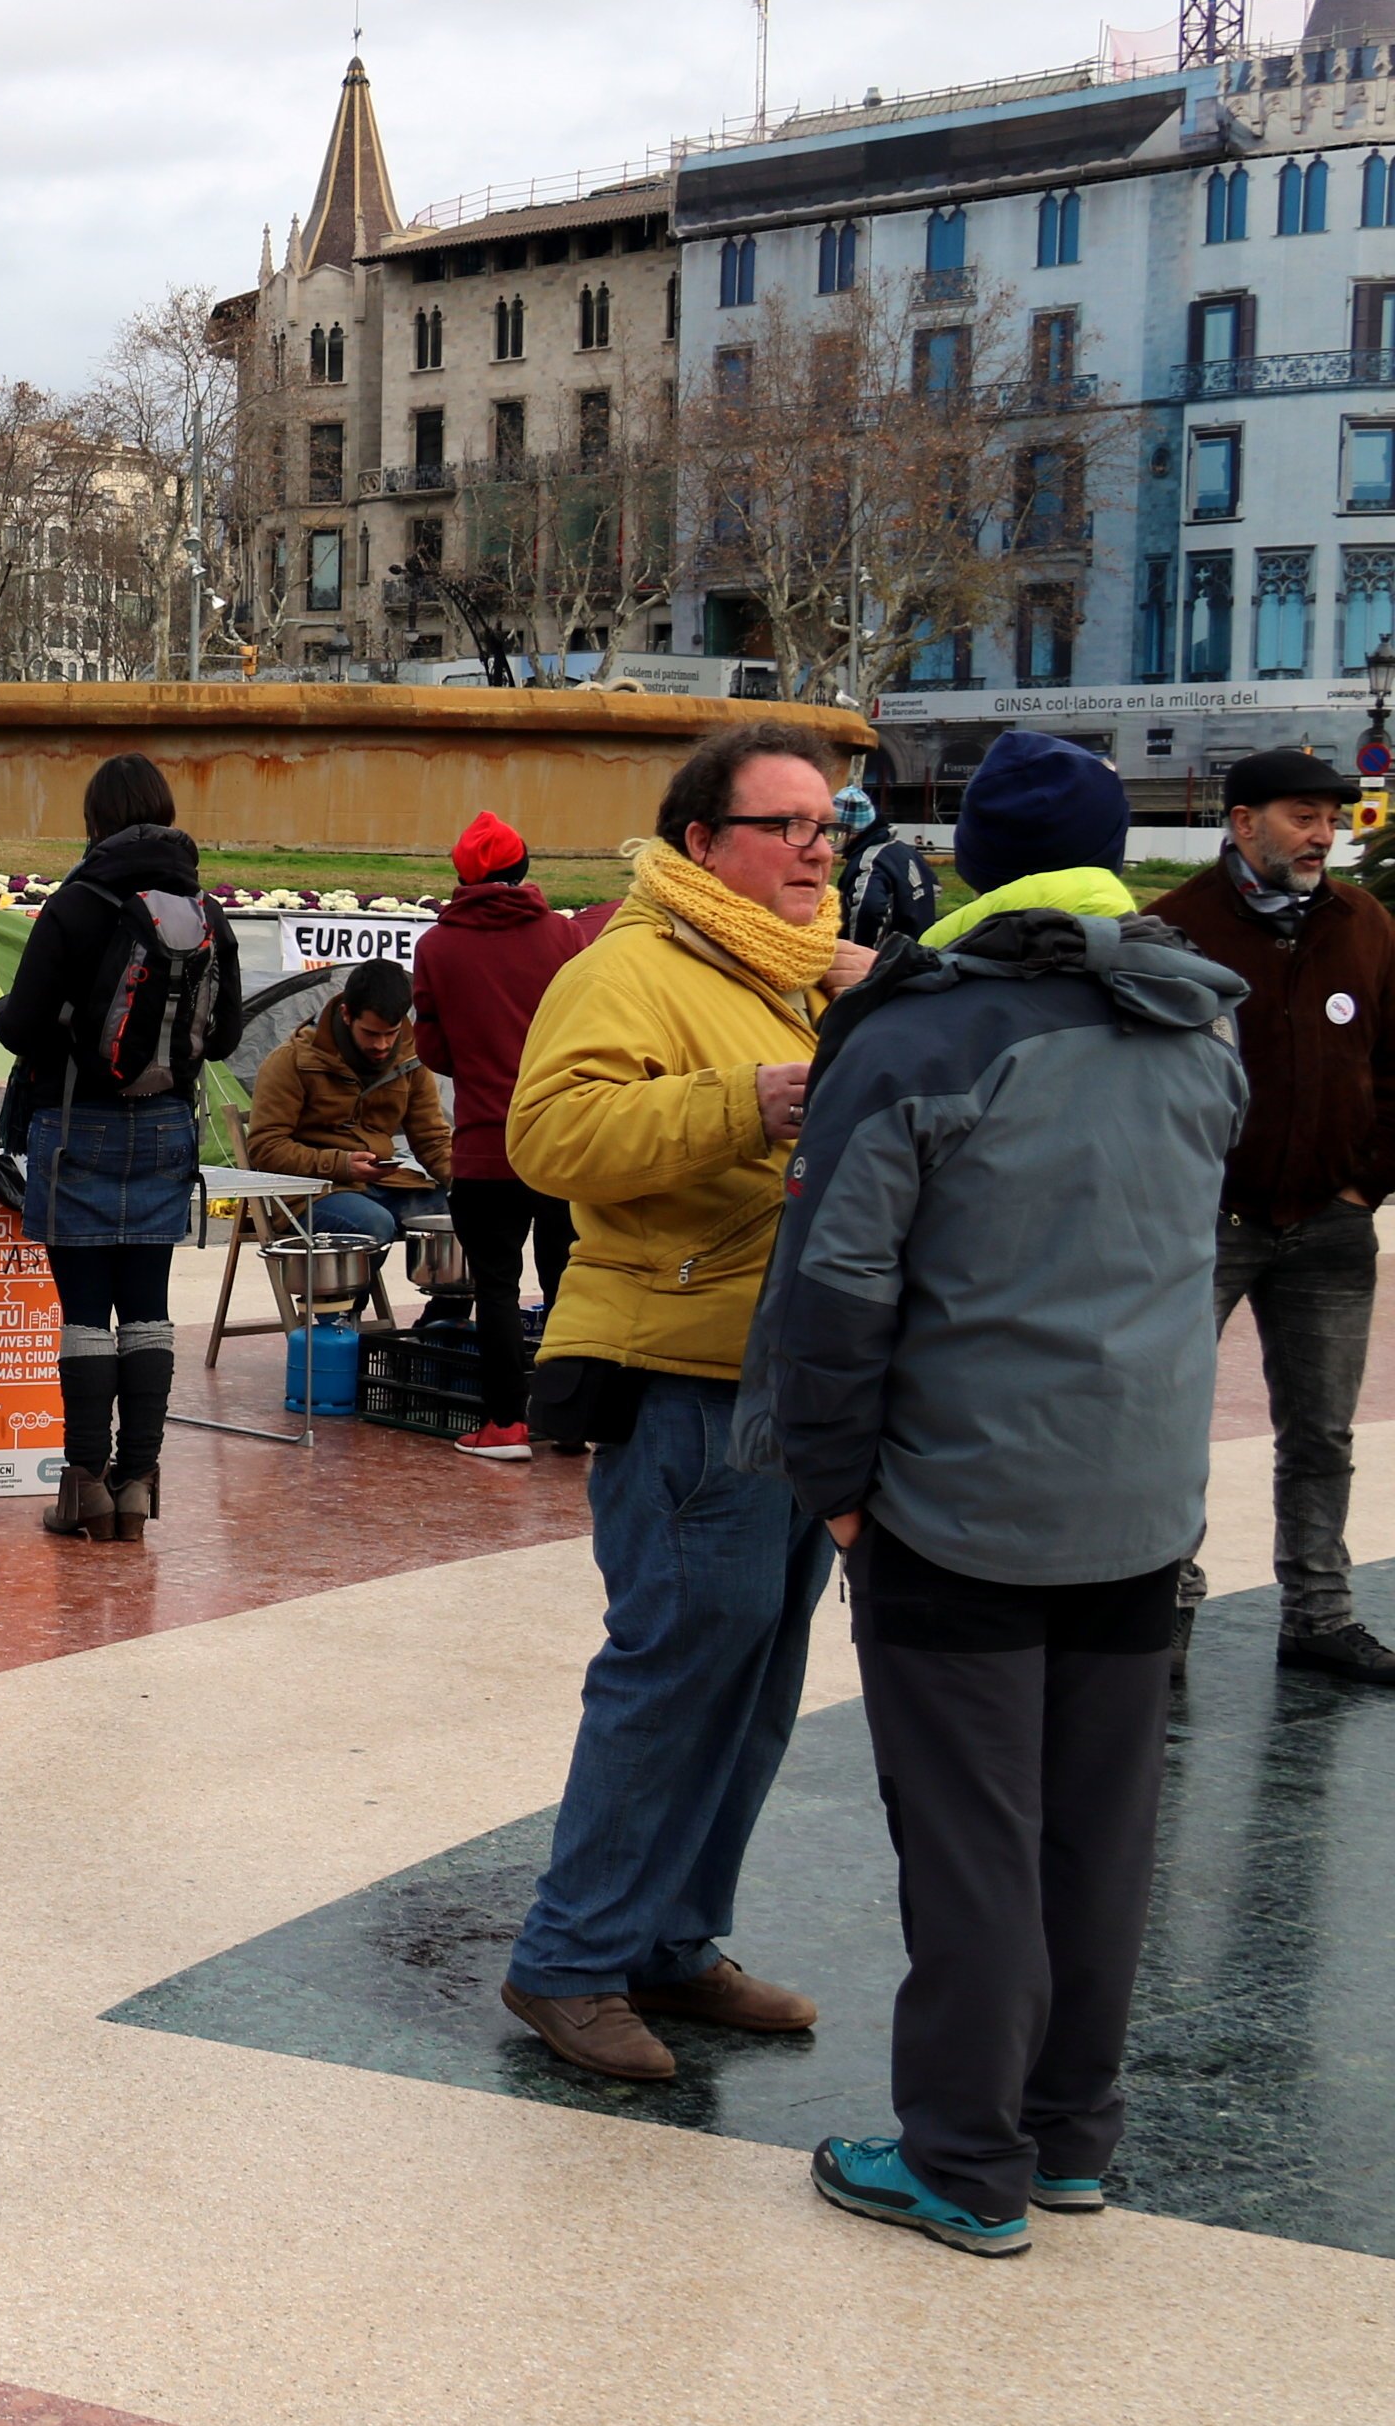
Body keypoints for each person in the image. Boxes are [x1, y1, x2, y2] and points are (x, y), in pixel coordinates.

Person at [739, 733, 1246, 2253]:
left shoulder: (919, 1035)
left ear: (968, 860)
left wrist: (835, 1484)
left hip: (958, 1504)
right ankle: (1068, 2137)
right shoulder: (1197, 1027)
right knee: (1102, 1834)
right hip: (1139, 1503)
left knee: (970, 1838)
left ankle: (962, 2158)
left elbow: (833, 1286)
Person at [493, 721, 879, 2082]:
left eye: (828, 827)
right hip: (687, 1376)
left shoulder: (813, 976)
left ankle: (673, 1942)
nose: (815, 851)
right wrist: (748, 1101)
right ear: (703, 844)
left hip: (800, 1382)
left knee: (759, 1689)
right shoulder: (632, 967)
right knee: (671, 1680)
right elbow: (549, 1140)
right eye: (786, 828)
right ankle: (569, 1963)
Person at [1152, 744, 1395, 1681]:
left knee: (1323, 1432)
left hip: (1330, 1226)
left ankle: (1319, 1615)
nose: (1324, 835)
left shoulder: (1365, 924)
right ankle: (1165, 1611)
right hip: (1206, 1223)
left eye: (1332, 819)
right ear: (1242, 821)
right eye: (1303, 817)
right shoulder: (1173, 928)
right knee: (1170, 1426)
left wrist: (1363, 1183)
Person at [0, 753, 244, 1543]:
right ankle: (138, 1484)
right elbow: (228, 1035)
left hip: (77, 1127)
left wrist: (17, 1009)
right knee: (149, 1311)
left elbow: (21, 1024)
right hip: (166, 1128)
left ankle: (83, 1486)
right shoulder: (206, 914)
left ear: (96, 823)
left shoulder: (76, 905)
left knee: (84, 1318)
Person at [412, 810, 592, 1462]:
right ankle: (570, 1423)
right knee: (566, 1278)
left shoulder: (437, 947)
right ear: (523, 870)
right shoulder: (564, 938)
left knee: (495, 1284)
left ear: (461, 877)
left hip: (487, 1146)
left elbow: (432, 1049)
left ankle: (505, 1427)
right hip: (562, 1140)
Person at [244, 958, 452, 1244]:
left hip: (385, 1185)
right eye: (370, 1033)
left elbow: (431, 1139)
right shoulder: (292, 1060)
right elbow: (265, 1148)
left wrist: (466, 1183)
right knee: (373, 1223)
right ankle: (338, 1291)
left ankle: (454, 1290)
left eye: (390, 1034)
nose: (382, 1046)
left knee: (463, 1210)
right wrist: (341, 1165)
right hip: (312, 1194)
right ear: (346, 1014)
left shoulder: (410, 1059)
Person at [837, 783, 943, 951]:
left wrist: (860, 953)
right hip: (919, 955)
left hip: (886, 965)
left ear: (851, 830)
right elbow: (935, 889)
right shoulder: (905, 850)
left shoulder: (869, 862)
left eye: (836, 830)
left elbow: (868, 908)